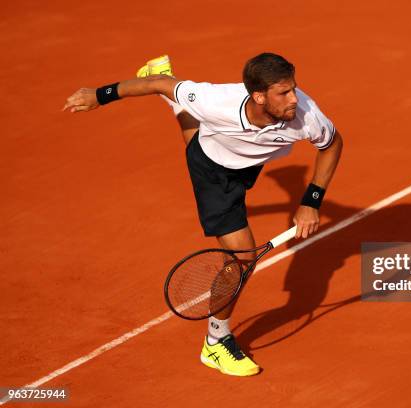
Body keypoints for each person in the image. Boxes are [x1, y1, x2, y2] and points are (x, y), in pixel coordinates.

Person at [63, 53, 343, 376]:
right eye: (284, 92)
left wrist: (311, 200)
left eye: (294, 88)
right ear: (258, 96)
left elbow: (332, 144)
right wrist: (98, 96)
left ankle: (177, 108)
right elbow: (160, 84)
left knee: (195, 135)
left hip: (245, 162)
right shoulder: (216, 101)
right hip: (212, 171)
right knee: (241, 259)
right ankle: (216, 342)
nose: (295, 98)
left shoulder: (306, 114)